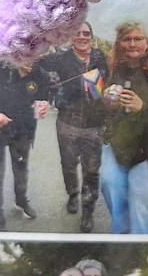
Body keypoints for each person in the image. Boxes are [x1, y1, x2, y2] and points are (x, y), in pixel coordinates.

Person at [99, 22, 148, 234]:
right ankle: (122, 234)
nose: (132, 43)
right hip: (119, 148)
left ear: (147, 43)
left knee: (144, 200)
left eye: (138, 38)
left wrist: (144, 107)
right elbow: (108, 112)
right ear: (119, 43)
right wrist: (109, 104)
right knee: (111, 186)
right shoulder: (116, 71)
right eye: (126, 39)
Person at [0, 54, 55, 230]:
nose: (30, 61)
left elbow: (44, 95)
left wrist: (44, 105)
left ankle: (21, 200)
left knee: (21, 166)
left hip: (22, 128)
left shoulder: (40, 74)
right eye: (26, 55)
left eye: (34, 56)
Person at [46, 21, 109, 232]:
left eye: (86, 33)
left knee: (92, 171)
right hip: (67, 123)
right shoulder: (60, 58)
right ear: (71, 37)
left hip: (95, 125)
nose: (82, 37)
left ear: (91, 36)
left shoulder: (100, 57)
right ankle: (73, 194)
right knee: (69, 165)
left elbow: (105, 83)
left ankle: (88, 211)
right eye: (77, 33)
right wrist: (50, 83)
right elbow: (36, 65)